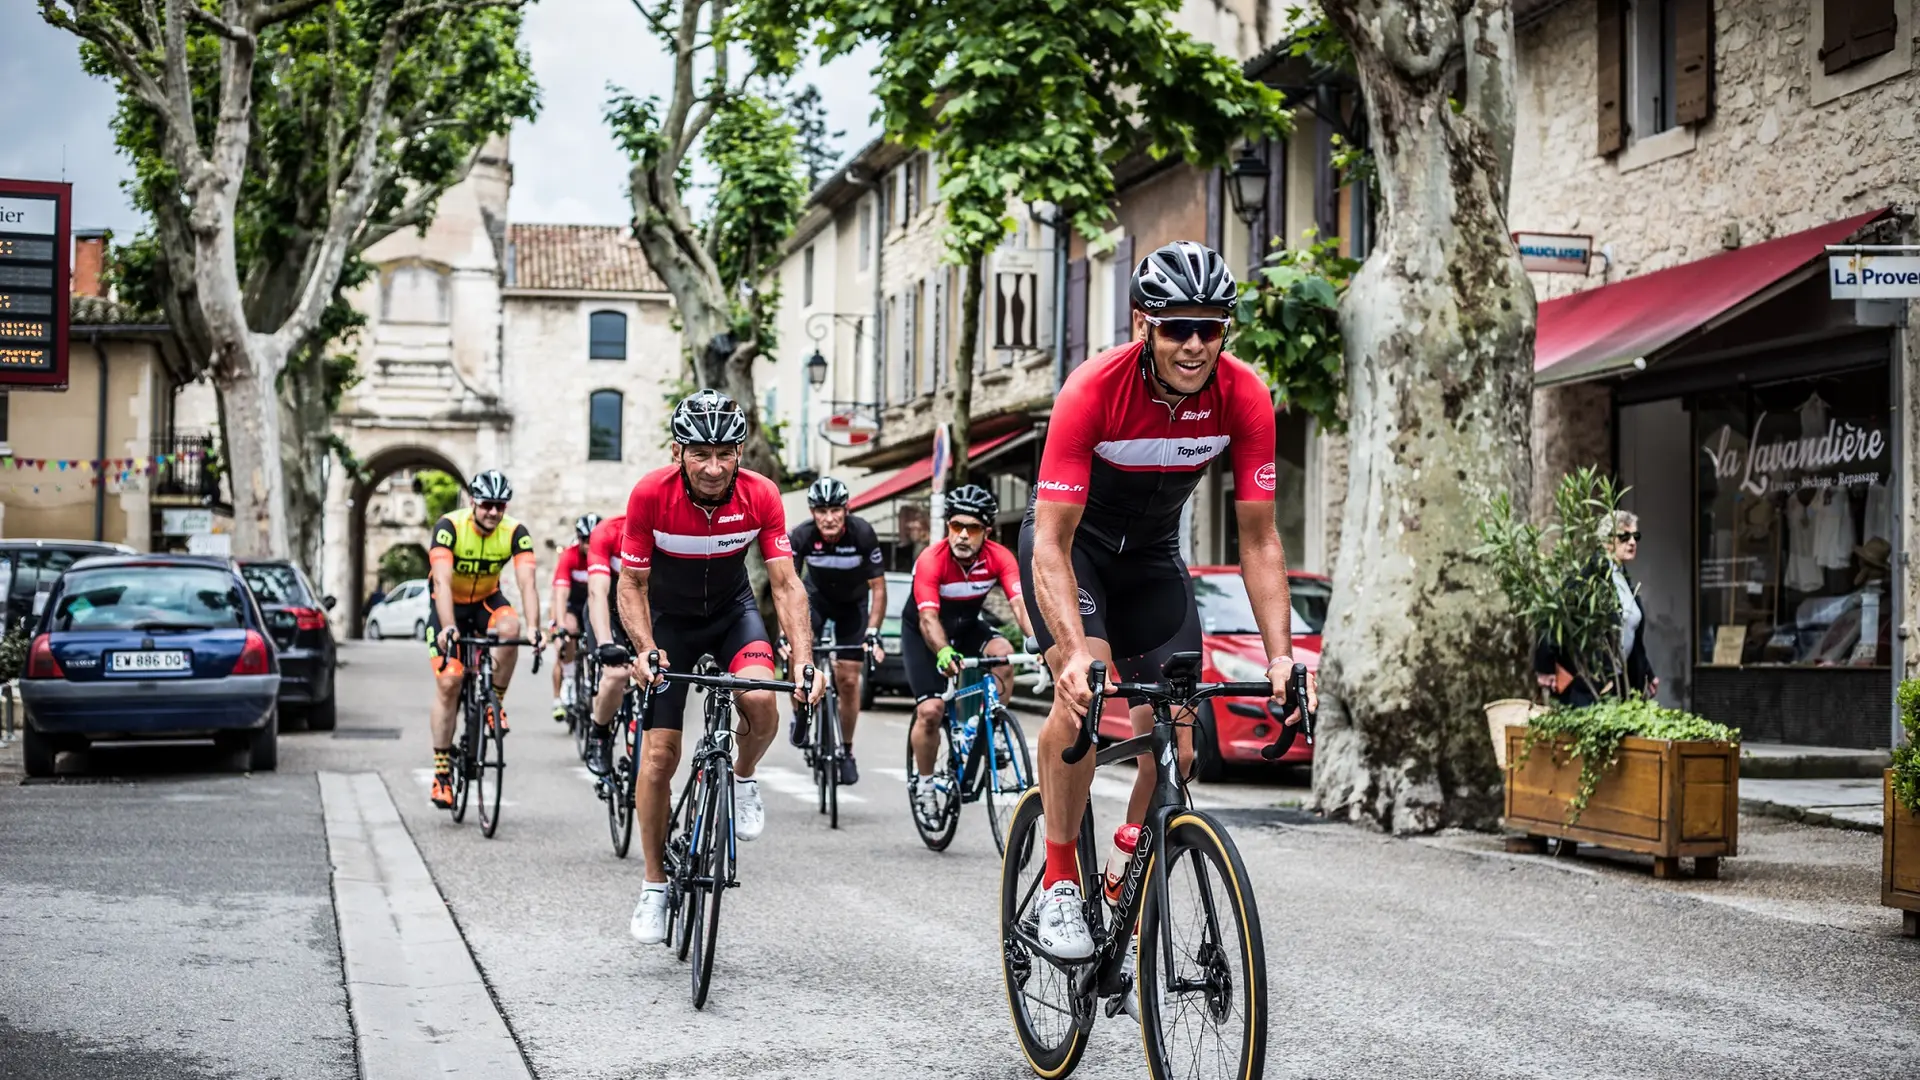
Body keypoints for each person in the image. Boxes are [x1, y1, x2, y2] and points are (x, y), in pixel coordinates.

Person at [1020, 240, 1313, 960]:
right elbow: (1050, 545)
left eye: (1208, 327)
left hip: (1152, 561)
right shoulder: (1092, 390)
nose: (1192, 343)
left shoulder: (1243, 396)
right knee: (1080, 697)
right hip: (1076, 554)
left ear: (1225, 332)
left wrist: (1282, 657)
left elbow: (1261, 542)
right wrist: (1069, 654)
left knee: (1176, 735)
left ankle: (1125, 875)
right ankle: (1060, 881)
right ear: (1142, 325)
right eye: (1176, 326)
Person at [615, 389, 825, 945]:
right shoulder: (650, 495)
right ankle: (655, 885)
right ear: (679, 451)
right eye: (700, 453)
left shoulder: (762, 495)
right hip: (670, 625)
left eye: (726, 453)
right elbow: (632, 584)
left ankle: (744, 775)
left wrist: (804, 662)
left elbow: (785, 583)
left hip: (732, 614)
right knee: (660, 757)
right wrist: (644, 648)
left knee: (760, 703)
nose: (713, 467)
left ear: (740, 451)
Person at [905, 484, 1036, 819]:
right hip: (926, 635)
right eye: (955, 526)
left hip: (966, 627)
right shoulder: (931, 560)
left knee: (1003, 653)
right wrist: (944, 652)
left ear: (986, 532)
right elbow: (928, 617)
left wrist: (1039, 642)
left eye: (972, 528)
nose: (962, 535)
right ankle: (924, 784)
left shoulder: (999, 557)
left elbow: (1019, 605)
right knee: (932, 711)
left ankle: (986, 726)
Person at [425, 470, 542, 809]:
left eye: (500, 506)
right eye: (487, 505)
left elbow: (527, 583)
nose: (493, 512)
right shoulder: (450, 526)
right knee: (449, 682)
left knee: (511, 629)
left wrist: (535, 627)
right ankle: (442, 774)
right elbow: (442, 584)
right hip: (447, 606)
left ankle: (495, 703)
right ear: (473, 502)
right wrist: (448, 627)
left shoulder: (515, 532)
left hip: (485, 602)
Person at [785, 476, 888, 785]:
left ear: (846, 510)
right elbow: (786, 589)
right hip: (814, 602)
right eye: (821, 511)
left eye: (835, 510)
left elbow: (879, 589)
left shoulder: (863, 534)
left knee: (848, 679)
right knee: (798, 661)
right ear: (812, 513)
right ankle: (799, 713)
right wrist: (786, 633)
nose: (828, 518)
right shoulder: (801, 536)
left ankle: (846, 750)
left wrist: (872, 630)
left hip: (851, 607)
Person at [1535, 510, 1657, 705]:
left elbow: (1629, 633)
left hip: (1616, 685)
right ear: (1607, 541)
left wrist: (1647, 674)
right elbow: (1554, 614)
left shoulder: (1621, 578)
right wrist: (1545, 664)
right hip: (1589, 687)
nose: (1632, 542)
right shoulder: (1592, 574)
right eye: (1624, 536)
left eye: (1636, 536)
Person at [579, 511, 629, 777]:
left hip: (646, 611)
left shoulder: (672, 535)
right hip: (607, 610)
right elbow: (597, 591)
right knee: (617, 674)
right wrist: (606, 643)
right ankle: (599, 734)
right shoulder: (608, 531)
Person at [548, 513, 600, 721]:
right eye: (585, 540)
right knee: (568, 633)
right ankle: (567, 681)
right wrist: (559, 625)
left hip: (593, 603)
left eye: (593, 540)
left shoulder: (604, 555)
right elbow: (560, 593)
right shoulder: (569, 556)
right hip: (571, 604)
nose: (589, 545)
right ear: (578, 539)